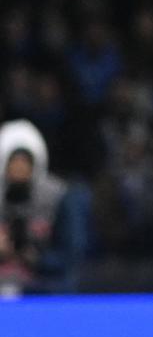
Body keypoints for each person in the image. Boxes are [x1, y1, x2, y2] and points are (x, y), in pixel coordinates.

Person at [0, 119, 89, 295]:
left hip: (45, 288)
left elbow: (72, 252)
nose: (19, 168)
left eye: (24, 162)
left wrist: (38, 259)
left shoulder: (59, 197)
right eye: (14, 162)